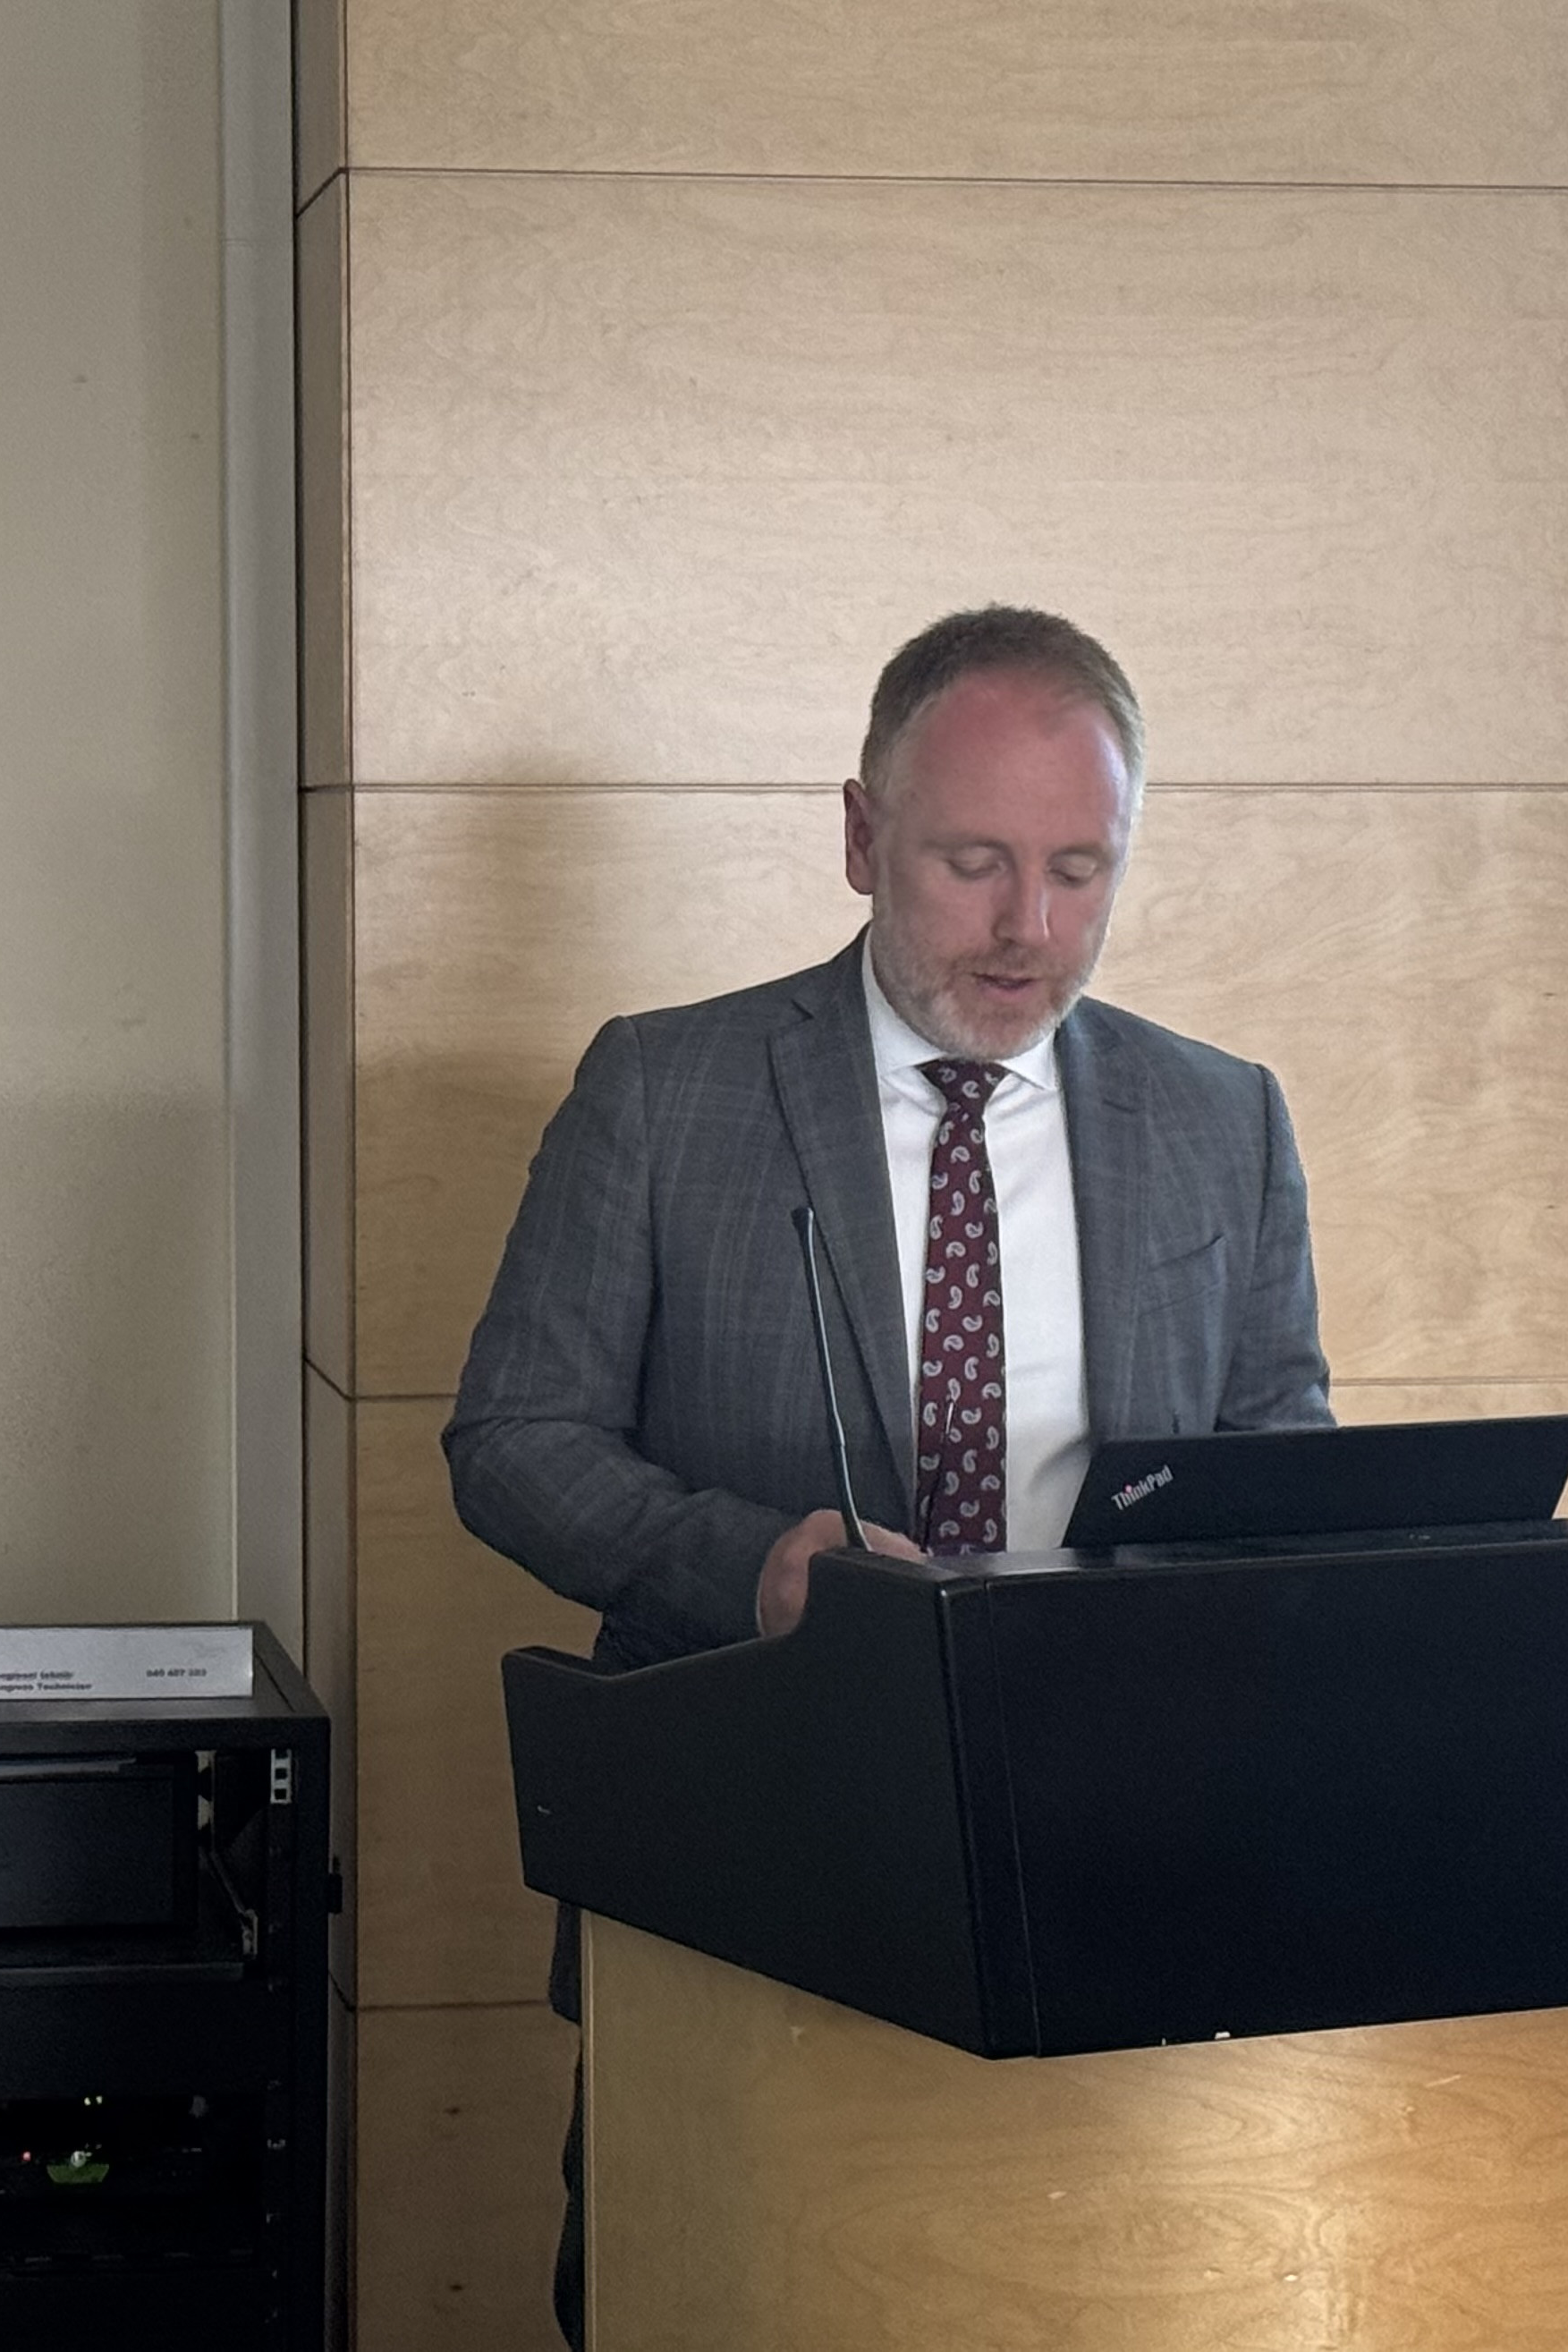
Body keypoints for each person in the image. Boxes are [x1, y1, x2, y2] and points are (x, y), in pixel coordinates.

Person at [441, 605, 1333, 2347]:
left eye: (1079, 869)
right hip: (746, 1847)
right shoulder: (665, 1088)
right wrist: (751, 1562)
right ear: (861, 835)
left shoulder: (1221, 1117)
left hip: (1112, 1857)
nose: (1027, 927)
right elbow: (513, 1437)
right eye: (973, 862)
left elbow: (1277, 1457)